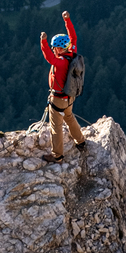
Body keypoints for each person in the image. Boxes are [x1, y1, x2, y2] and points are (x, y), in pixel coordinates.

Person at [40, 10, 85, 162]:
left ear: (59, 49)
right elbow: (73, 36)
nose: (53, 49)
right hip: (70, 96)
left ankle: (57, 155)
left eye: (54, 47)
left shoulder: (59, 62)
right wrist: (67, 20)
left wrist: (43, 42)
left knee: (56, 127)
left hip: (58, 99)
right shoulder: (72, 53)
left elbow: (48, 57)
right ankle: (81, 142)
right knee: (69, 117)